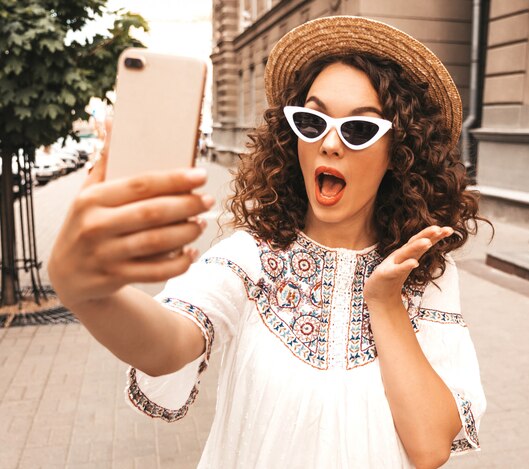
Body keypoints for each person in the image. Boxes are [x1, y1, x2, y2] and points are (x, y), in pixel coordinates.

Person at [49, 16, 490, 469]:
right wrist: (88, 293)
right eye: (312, 121)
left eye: (359, 130)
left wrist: (384, 301)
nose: (330, 144)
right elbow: (165, 345)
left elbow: (430, 446)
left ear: (399, 151)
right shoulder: (250, 256)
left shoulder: (424, 273)